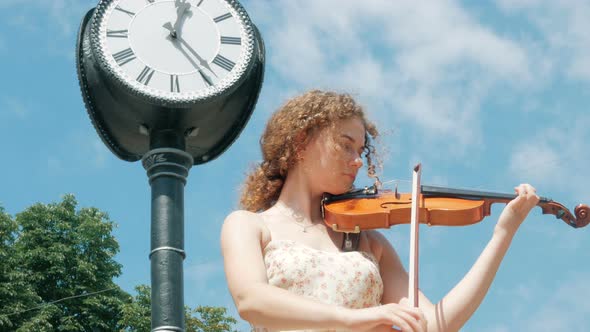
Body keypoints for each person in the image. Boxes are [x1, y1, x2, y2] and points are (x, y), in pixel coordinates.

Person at [220, 90, 539, 332]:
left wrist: (503, 233)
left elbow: (434, 324)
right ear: (302, 143)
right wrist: (357, 318)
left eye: (360, 151)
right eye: (345, 145)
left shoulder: (368, 243)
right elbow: (252, 301)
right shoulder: (249, 225)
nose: (358, 160)